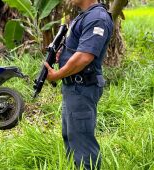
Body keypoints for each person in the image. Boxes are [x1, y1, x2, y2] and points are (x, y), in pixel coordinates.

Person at [44, 0, 113, 169]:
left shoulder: (97, 18)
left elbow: (84, 57)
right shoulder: (84, 16)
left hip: (83, 87)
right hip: (73, 88)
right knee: (71, 136)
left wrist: (57, 75)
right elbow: (77, 50)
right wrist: (64, 54)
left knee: (82, 141)